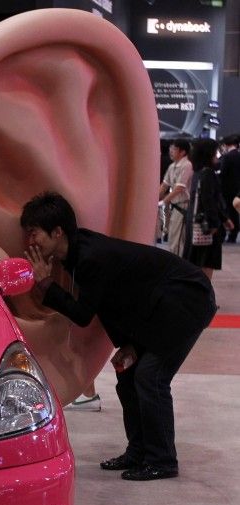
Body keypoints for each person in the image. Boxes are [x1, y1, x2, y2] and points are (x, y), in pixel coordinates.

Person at [22, 191, 216, 481]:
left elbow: (84, 314)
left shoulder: (89, 257)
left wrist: (46, 284)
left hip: (186, 300)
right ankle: (138, 452)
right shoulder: (77, 253)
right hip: (157, 309)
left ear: (57, 231)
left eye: (34, 233)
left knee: (150, 377)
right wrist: (128, 345)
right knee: (127, 377)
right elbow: (112, 303)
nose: (30, 241)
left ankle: (162, 460)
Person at [186, 138, 231, 279]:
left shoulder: (197, 173)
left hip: (195, 224)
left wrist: (224, 219)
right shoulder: (208, 173)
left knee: (196, 262)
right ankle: (205, 298)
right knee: (206, 262)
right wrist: (215, 223)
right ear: (208, 153)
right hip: (206, 226)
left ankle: (200, 297)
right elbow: (209, 200)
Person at [158, 138, 192, 256]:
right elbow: (164, 185)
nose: (171, 151)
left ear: (182, 152)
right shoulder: (172, 166)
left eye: (174, 149)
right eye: (170, 149)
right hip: (174, 206)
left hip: (184, 206)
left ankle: (179, 267)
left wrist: (162, 202)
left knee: (178, 240)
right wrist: (155, 200)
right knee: (172, 237)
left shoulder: (187, 165)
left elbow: (179, 188)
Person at [219, 134, 240, 243]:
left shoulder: (227, 157)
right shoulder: (238, 155)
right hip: (237, 189)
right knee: (235, 212)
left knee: (226, 211)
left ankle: (226, 233)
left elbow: (222, 173)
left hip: (226, 189)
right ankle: (234, 233)